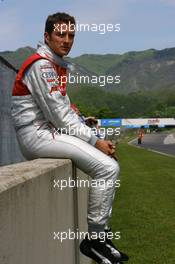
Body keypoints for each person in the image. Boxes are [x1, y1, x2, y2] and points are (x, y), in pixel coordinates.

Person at [11, 12, 128, 264]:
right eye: (60, 34)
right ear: (46, 36)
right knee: (108, 168)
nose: (66, 40)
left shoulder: (53, 63)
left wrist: (94, 135)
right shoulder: (41, 64)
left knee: (106, 165)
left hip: (45, 132)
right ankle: (94, 240)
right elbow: (61, 117)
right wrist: (96, 141)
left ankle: (101, 234)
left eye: (71, 35)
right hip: (36, 134)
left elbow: (68, 110)